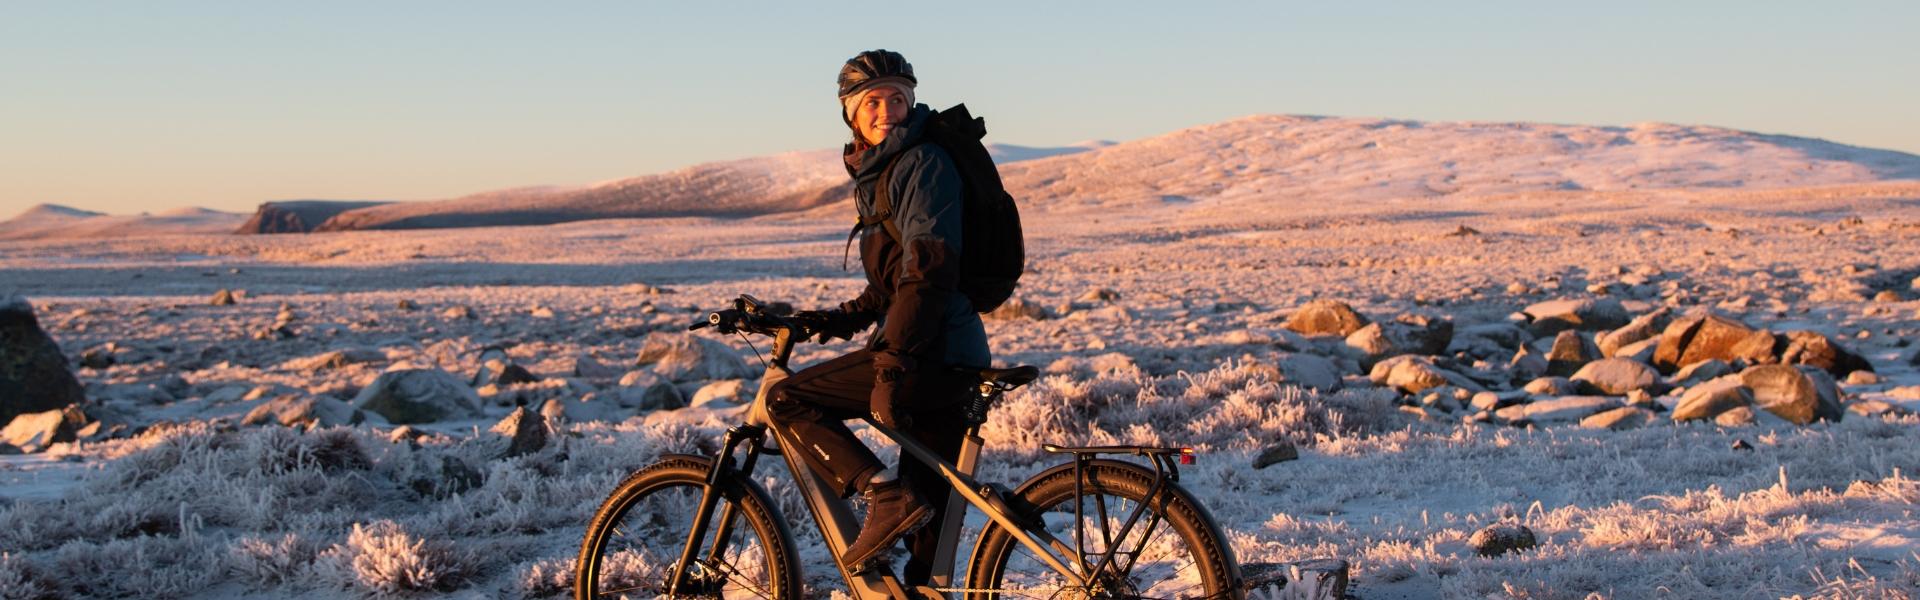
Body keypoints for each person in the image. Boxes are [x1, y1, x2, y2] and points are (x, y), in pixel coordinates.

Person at [767, 49, 990, 580]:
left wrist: (892, 363)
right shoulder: (885, 170)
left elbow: (930, 269)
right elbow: (895, 281)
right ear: (851, 113)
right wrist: (836, 319)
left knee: (787, 399)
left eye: (898, 97)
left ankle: (879, 493)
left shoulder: (921, 163)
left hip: (930, 351)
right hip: (941, 348)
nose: (887, 108)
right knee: (926, 531)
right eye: (873, 100)